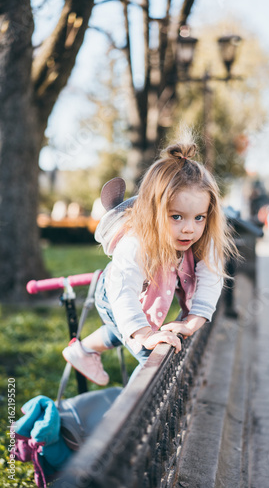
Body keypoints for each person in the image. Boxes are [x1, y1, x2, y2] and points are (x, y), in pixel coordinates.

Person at [62, 134, 236, 386]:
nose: (189, 228)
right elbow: (123, 294)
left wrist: (193, 321)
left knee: (129, 329)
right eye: (176, 217)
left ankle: (84, 350)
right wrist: (144, 334)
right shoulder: (135, 244)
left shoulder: (203, 237)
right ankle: (127, 419)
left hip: (147, 291)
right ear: (153, 212)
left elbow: (211, 277)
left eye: (199, 217)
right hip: (115, 295)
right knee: (152, 360)